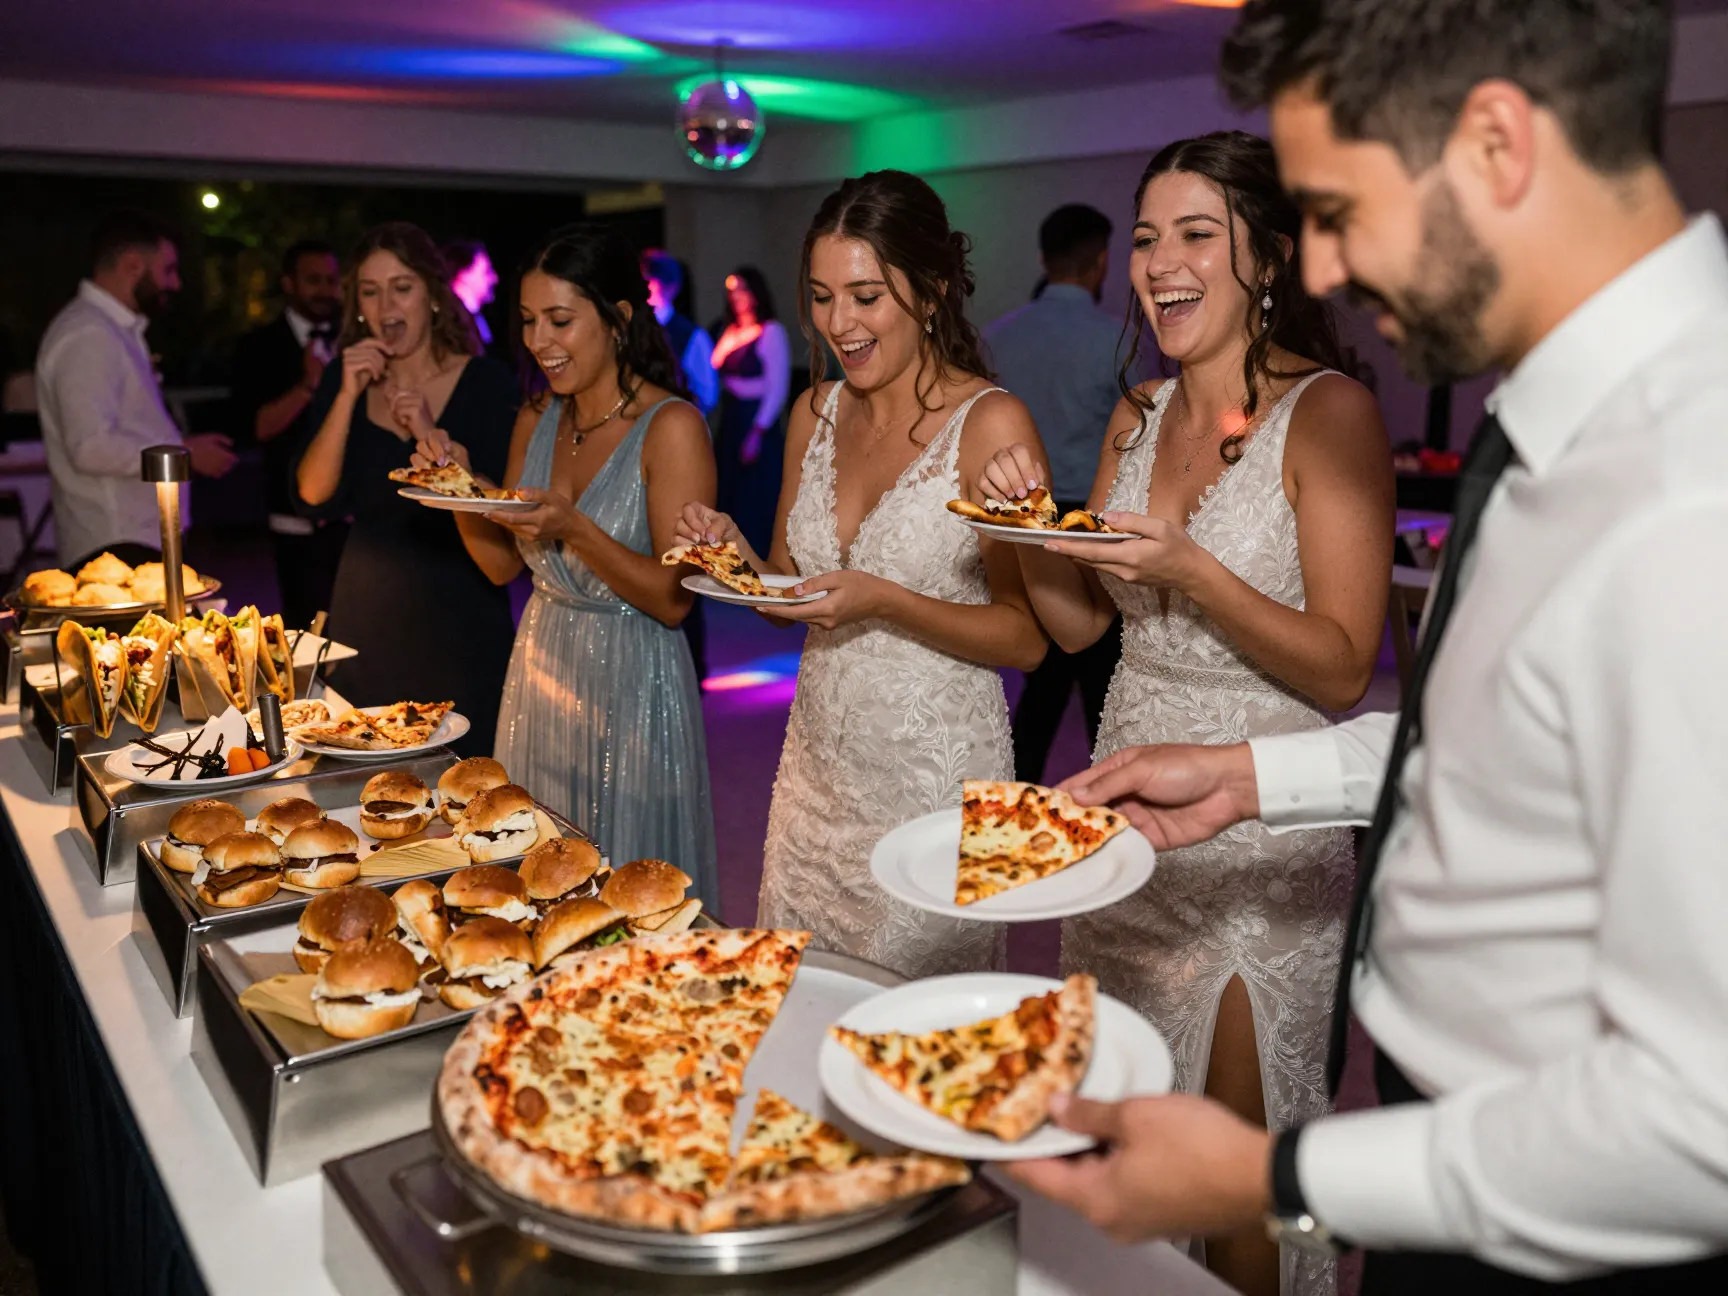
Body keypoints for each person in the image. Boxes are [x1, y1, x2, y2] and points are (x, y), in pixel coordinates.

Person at [1009, 2, 1728, 1293]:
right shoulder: (1568, 424)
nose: (1323, 268)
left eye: (1338, 208)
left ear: (1496, 144)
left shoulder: (1687, 487)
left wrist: (1280, 1179)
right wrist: (1263, 778)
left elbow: (1700, 1120)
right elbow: (1508, 739)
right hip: (1440, 1157)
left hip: (1534, 1206)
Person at [983, 131, 1391, 1296]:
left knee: (1235, 1183)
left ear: (1265, 255)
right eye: (1148, 237)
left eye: (1197, 234)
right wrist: (1026, 534)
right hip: (1130, 824)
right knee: (1124, 1158)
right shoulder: (1134, 418)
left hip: (1262, 826)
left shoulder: (1332, 415)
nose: (1162, 262)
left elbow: (1345, 667)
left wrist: (1197, 571)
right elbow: (1077, 629)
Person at [676, 170, 1048, 978]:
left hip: (936, 775)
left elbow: (1026, 638)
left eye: (866, 296)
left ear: (933, 291)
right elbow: (789, 589)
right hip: (814, 774)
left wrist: (887, 601)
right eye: (820, 296)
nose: (838, 324)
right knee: (802, 1003)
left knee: (917, 1045)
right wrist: (734, 555)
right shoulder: (814, 412)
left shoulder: (991, 422)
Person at [419, 224, 719, 911]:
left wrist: (575, 529)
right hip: (542, 668)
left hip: (635, 676)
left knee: (630, 884)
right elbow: (500, 567)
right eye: (527, 321)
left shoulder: (671, 427)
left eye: (560, 320)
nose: (539, 341)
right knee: (539, 877)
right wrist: (463, 492)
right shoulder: (537, 418)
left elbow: (674, 600)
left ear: (618, 318)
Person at [292, 222, 517, 757]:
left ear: (433, 297)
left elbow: (505, 521)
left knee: (467, 785)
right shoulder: (343, 378)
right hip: (368, 612)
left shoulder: (487, 382)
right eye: (370, 291)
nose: (385, 304)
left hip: (460, 614)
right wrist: (346, 394)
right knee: (364, 787)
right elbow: (312, 494)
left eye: (402, 286)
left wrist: (425, 429)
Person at [983, 204, 1128, 783]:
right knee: (1102, 683)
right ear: (1100, 264)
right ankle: (1111, 805)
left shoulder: (999, 336)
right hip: (1090, 518)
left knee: (1040, 679)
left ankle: (1019, 796)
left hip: (1020, 518)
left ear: (1043, 259)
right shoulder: (1117, 338)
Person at [35, 209, 236, 566]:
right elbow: (90, 448)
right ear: (132, 265)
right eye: (168, 270)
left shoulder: (111, 331)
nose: (176, 284)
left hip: (130, 539)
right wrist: (183, 454)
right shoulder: (88, 336)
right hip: (114, 543)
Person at [229, 239, 347, 628]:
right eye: (314, 280)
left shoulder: (353, 340)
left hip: (352, 515)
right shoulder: (257, 347)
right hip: (291, 515)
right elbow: (258, 427)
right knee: (304, 628)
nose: (325, 290)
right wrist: (307, 387)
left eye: (332, 280)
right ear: (289, 283)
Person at [710, 266, 792, 559]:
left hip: (758, 420)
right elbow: (713, 366)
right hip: (731, 417)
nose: (737, 297)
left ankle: (761, 561)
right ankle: (730, 559)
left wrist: (757, 431)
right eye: (732, 291)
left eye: (742, 290)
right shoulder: (731, 332)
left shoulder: (771, 332)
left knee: (756, 493)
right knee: (729, 489)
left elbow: (778, 387)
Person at [641, 250, 718, 414]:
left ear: (669, 287)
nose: (643, 288)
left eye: (649, 281)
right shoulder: (630, 327)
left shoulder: (691, 336)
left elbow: (707, 395)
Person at [443, 240, 499, 349]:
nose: (494, 279)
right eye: (487, 271)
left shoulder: (476, 319)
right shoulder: (451, 323)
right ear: (464, 274)